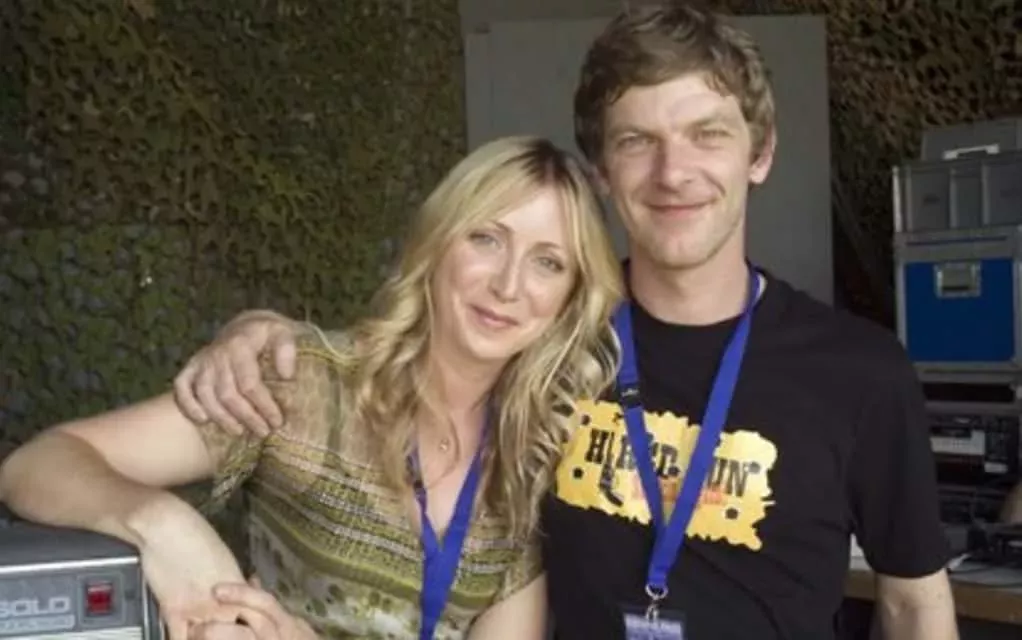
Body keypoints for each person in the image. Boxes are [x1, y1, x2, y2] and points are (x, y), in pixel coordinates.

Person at [171, 4, 960, 639]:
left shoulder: (860, 372)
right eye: (637, 141)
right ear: (602, 173)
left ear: (759, 153)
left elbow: (913, 605)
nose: (673, 172)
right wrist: (258, 331)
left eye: (707, 134)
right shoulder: (542, 333)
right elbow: (388, 365)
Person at [0, 135, 625, 640]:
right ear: (437, 244)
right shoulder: (308, 387)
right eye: (486, 238)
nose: (508, 285)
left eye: (548, 262)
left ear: (570, 297)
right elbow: (38, 464)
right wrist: (162, 526)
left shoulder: (531, 458)